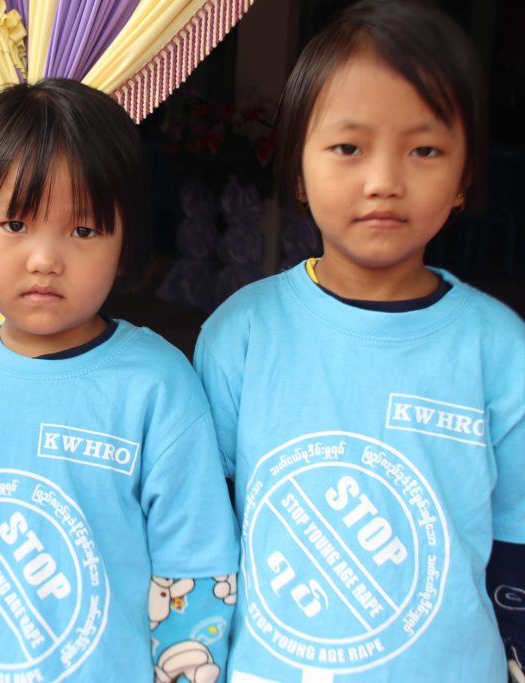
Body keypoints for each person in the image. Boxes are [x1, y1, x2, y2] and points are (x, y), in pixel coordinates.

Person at [193, 1, 525, 681]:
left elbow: (517, 541)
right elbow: (200, 533)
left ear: (464, 176)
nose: (384, 181)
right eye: (348, 147)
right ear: (295, 172)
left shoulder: (499, 346)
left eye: (424, 150)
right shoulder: (240, 333)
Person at [0, 78, 239, 683]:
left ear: (126, 244)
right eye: (15, 225)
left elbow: (194, 577)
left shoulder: (157, 389)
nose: (44, 258)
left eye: (83, 229)